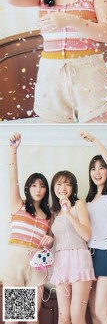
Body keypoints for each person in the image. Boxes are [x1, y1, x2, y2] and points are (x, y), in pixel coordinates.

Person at [2, 133, 53, 324]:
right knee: (14, 319)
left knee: (32, 319)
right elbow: (12, 178)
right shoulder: (19, 205)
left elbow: (50, 238)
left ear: (46, 190)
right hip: (15, 261)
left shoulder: (49, 216)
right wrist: (13, 151)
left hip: (36, 265)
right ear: (27, 188)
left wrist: (51, 240)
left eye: (41, 186)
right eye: (34, 185)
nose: (38, 189)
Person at [80, 130, 107, 324]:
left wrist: (96, 141)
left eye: (101, 168)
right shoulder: (88, 201)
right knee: (92, 310)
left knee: (101, 311)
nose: (97, 172)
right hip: (89, 254)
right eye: (93, 168)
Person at [50, 170, 95, 324]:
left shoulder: (78, 204)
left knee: (76, 317)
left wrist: (68, 212)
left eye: (67, 184)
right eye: (59, 184)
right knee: (63, 317)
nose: (63, 188)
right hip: (30, 271)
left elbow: (87, 235)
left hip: (78, 259)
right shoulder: (52, 211)